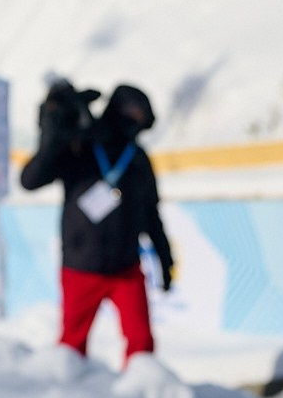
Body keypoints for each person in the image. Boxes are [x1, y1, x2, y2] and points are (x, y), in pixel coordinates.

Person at [19, 81, 173, 365]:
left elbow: (152, 213)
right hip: (81, 268)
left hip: (126, 269)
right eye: (134, 113)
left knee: (141, 343)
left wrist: (165, 259)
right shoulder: (80, 145)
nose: (137, 121)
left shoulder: (137, 159)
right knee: (70, 348)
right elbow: (29, 180)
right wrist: (54, 126)